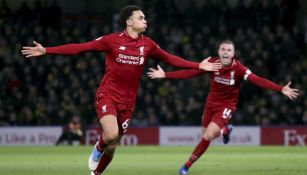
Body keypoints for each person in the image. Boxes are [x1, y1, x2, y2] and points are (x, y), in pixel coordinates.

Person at [21, 5, 222, 175]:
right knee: (109, 136)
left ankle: (95, 173)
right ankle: (98, 148)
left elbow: (170, 59)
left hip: (128, 102)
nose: (145, 20)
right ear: (129, 22)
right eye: (141, 18)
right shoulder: (112, 40)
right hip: (107, 94)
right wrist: (47, 50)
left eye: (145, 18)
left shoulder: (148, 44)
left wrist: (198, 66)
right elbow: (81, 47)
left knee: (114, 145)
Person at [147, 40, 299, 174]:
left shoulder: (238, 68)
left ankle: (186, 166)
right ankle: (226, 130)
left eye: (229, 50)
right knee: (205, 135)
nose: (225, 52)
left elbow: (257, 80)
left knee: (208, 136)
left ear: (233, 54)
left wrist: (280, 89)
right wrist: (166, 75)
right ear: (219, 52)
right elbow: (190, 73)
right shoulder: (213, 64)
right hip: (210, 104)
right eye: (223, 49)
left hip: (226, 106)